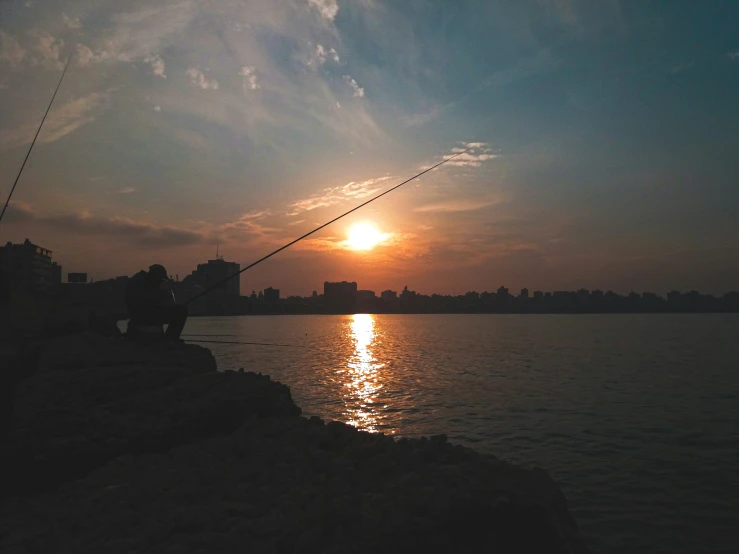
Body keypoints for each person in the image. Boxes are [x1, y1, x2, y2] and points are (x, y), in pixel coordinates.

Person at [125, 264, 187, 341]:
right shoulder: (141, 283)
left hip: (141, 316)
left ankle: (169, 340)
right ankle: (170, 340)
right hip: (143, 316)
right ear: (156, 276)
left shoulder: (140, 280)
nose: (160, 282)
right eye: (160, 280)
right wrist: (162, 292)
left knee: (179, 310)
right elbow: (146, 300)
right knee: (181, 311)